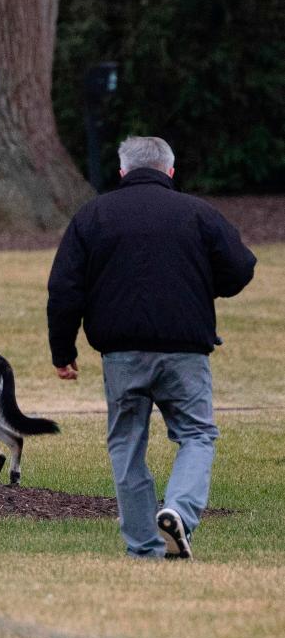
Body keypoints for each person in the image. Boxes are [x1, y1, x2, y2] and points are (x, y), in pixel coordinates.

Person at [47, 136, 256, 559]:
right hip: (185, 350)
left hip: (121, 353)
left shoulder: (94, 215)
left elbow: (64, 289)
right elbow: (240, 267)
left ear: (122, 171)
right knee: (196, 433)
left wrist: (62, 350)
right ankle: (179, 509)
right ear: (170, 171)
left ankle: (144, 547)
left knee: (127, 442)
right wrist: (200, 286)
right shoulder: (197, 213)